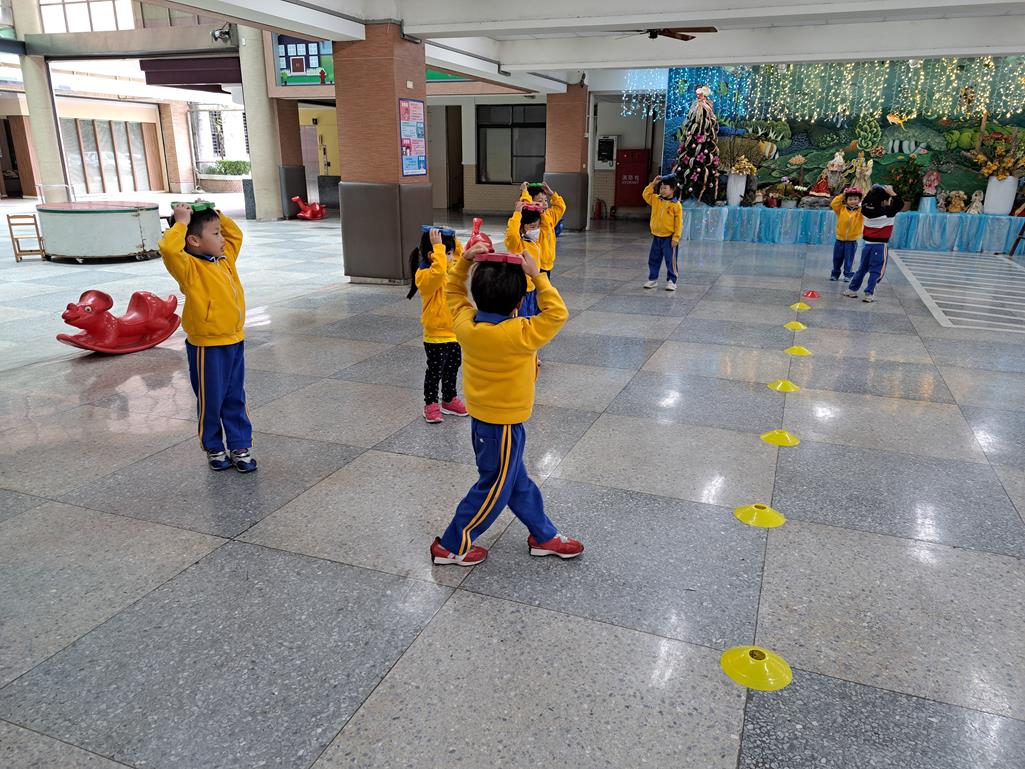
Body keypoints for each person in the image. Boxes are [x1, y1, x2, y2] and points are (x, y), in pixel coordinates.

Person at [430, 242, 584, 566]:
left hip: (487, 422)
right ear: (518, 302)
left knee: (515, 482)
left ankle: (543, 535)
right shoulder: (520, 332)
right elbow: (557, 313)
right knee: (494, 488)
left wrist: (463, 263)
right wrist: (539, 276)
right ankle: (452, 545)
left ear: (476, 295)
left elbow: (452, 292)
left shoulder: (465, 325)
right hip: (502, 427)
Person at [160, 203, 256, 472]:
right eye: (215, 233)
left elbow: (235, 235)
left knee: (235, 395)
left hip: (234, 339)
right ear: (193, 240)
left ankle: (239, 444)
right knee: (211, 399)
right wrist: (181, 222)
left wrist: (217, 215)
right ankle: (214, 447)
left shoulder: (226, 259)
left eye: (219, 231)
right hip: (207, 346)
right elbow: (169, 249)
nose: (222, 238)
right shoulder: (188, 267)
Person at [407, 226, 469, 424]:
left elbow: (459, 256)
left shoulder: (449, 268)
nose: (450, 257)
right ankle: (431, 403)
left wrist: (453, 237)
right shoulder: (425, 275)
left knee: (452, 368)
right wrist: (440, 250)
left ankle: (449, 399)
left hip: (454, 331)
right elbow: (438, 272)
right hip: (436, 334)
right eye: (446, 253)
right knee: (435, 371)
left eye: (449, 253)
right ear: (432, 255)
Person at [844, 184, 903, 303]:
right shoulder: (888, 212)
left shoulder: (865, 210)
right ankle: (869, 293)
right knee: (876, 270)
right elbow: (899, 204)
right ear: (884, 201)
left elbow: (865, 201)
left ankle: (852, 290)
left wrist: (871, 192)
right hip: (880, 246)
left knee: (862, 268)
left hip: (867, 245)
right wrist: (892, 193)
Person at [641, 174, 683, 290]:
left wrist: (676, 238)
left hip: (669, 238)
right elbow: (645, 194)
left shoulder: (676, 205)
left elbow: (678, 223)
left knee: (670, 260)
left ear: (673, 190)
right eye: (661, 188)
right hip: (657, 237)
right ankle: (653, 279)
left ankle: (672, 281)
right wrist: (653, 184)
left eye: (665, 188)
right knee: (653, 259)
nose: (662, 190)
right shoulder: (656, 199)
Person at [519, 181, 566, 277]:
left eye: (545, 200)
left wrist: (551, 194)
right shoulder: (531, 217)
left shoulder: (549, 215)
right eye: (540, 201)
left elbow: (561, 207)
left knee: (544, 286)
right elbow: (526, 206)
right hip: (535, 263)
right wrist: (525, 192)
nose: (544, 203)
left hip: (547, 263)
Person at [505, 201, 542, 319]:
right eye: (532, 227)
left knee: (531, 316)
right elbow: (512, 234)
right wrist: (517, 213)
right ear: (521, 227)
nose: (536, 230)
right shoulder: (516, 244)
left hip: (533, 287)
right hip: (521, 290)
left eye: (538, 226)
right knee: (522, 318)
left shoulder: (533, 242)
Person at [829, 187, 863, 282]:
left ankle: (848, 274)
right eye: (850, 199)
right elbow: (834, 203)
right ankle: (835, 274)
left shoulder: (860, 211)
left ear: (859, 200)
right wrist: (842, 195)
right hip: (840, 239)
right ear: (846, 200)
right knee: (837, 258)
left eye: (855, 199)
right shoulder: (841, 209)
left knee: (849, 259)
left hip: (852, 240)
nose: (853, 201)